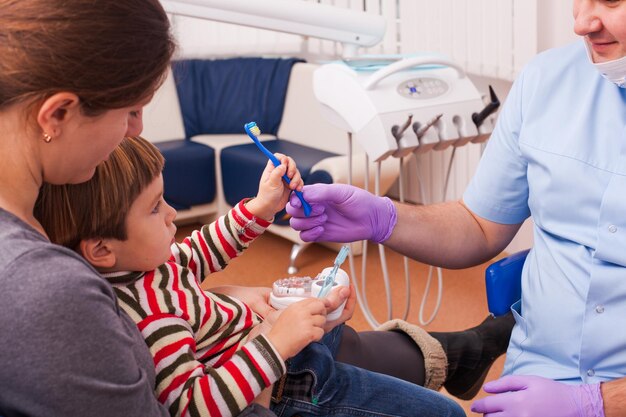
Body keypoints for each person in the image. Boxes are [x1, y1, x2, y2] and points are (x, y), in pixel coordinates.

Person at [286, 1, 626, 416]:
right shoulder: (546, 81)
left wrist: (596, 403)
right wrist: (383, 218)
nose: (581, 24)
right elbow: (479, 226)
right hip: (534, 382)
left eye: (610, 0)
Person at [34, 135, 517, 417]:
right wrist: (277, 341)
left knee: (343, 338)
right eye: (156, 208)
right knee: (443, 413)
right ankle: (463, 356)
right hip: (288, 383)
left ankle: (463, 353)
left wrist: (263, 205)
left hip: (281, 352)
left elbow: (202, 248)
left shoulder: (150, 266)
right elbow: (195, 405)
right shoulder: (152, 318)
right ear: (100, 249)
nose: (173, 214)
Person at [0, 0, 177, 415]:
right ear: (58, 113)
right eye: (131, 111)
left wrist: (214, 300)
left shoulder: (38, 207)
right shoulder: (40, 286)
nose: (137, 130)